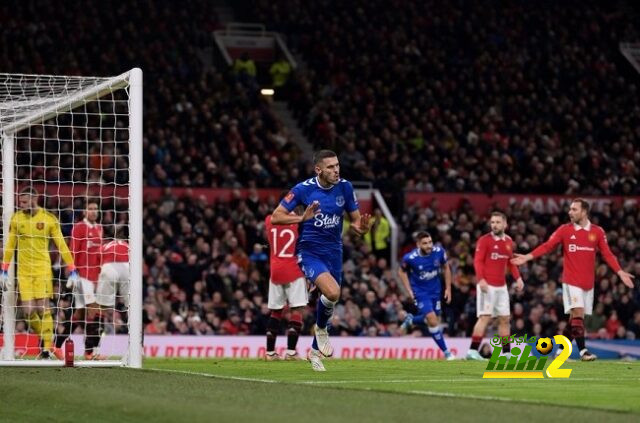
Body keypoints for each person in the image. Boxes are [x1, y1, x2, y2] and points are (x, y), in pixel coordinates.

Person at [271, 150, 371, 371]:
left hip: (334, 251)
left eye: (337, 166)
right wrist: (301, 217)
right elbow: (276, 216)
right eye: (330, 167)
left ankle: (315, 353)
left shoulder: (345, 187)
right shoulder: (303, 189)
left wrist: (361, 229)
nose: (336, 170)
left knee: (332, 297)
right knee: (333, 292)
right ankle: (322, 329)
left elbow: (355, 223)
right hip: (309, 251)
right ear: (319, 170)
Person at [511, 198, 635, 361]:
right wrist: (527, 257)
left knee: (575, 320)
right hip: (571, 281)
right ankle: (583, 351)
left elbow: (607, 254)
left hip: (588, 283)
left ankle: (560, 352)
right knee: (577, 312)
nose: (570, 212)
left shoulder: (597, 232)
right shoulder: (565, 230)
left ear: (584, 212)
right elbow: (548, 246)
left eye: (574, 209)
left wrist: (619, 272)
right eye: (570, 209)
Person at [0, 187, 79, 359]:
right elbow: (10, 247)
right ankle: (47, 341)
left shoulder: (49, 219)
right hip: (23, 272)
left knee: (43, 308)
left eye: (24, 202)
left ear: (34, 199)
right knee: (28, 312)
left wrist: (72, 269)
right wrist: (4, 270)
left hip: (42, 269)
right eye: (19, 202)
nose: (21, 205)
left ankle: (47, 348)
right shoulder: (16, 219)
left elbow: (62, 246)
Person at [466, 212, 524, 360]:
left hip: (502, 287)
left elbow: (511, 263)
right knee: (485, 317)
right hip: (487, 285)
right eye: (492, 222)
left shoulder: (509, 241)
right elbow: (477, 261)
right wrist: (481, 280)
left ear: (505, 224)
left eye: (498, 222)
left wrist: (518, 278)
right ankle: (472, 351)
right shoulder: (484, 241)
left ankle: (506, 352)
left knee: (504, 319)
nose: (494, 225)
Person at [398, 231, 455, 360]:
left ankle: (411, 320)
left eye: (430, 242)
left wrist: (448, 288)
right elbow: (401, 272)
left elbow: (446, 268)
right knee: (432, 319)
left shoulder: (439, 252)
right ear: (418, 244)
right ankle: (447, 353)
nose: (429, 246)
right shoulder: (410, 258)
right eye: (425, 243)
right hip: (421, 293)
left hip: (436, 291)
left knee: (434, 319)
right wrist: (409, 290)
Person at [263, 214, 308, 361]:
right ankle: (290, 352)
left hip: (275, 270)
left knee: (276, 311)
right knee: (297, 310)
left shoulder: (269, 219)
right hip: (293, 270)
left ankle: (270, 353)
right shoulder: (299, 222)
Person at [66, 199, 104, 360]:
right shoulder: (79, 228)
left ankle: (56, 342)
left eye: (96, 208)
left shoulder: (99, 228)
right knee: (94, 313)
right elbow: (72, 251)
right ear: (84, 211)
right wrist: (72, 273)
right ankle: (90, 352)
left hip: (96, 278)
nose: (94, 211)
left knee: (80, 315)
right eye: (90, 208)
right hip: (83, 277)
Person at [96, 226, 130, 338]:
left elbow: (97, 265)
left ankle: (94, 346)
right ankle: (139, 346)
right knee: (132, 307)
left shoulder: (105, 246)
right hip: (126, 267)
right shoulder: (130, 246)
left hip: (108, 267)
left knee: (101, 308)